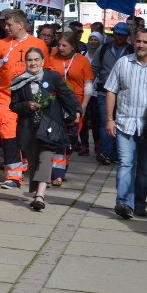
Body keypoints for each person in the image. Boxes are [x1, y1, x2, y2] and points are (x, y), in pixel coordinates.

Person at [104, 28, 147, 219]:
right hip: (125, 122)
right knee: (125, 163)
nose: (141, 45)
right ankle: (123, 203)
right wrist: (109, 119)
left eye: (146, 42)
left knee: (146, 169)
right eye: (138, 41)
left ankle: (139, 203)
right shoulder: (123, 62)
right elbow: (111, 90)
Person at [10, 47, 81, 211]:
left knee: (46, 157)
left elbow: (67, 95)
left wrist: (77, 110)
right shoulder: (19, 81)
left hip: (50, 125)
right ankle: (36, 192)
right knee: (33, 160)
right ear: (25, 62)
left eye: (36, 60)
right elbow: (14, 105)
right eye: (30, 60)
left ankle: (40, 195)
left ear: (42, 62)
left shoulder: (52, 76)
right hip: (29, 127)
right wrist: (27, 105)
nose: (33, 63)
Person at [0, 9, 50, 189]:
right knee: (8, 135)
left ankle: (28, 166)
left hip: (30, 100)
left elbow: (46, 73)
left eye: (9, 25)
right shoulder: (0, 45)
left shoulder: (39, 44)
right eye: (5, 25)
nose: (6, 28)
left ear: (21, 25)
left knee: (27, 136)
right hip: (6, 98)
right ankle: (13, 176)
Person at [46, 31, 93, 186]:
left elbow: (88, 85)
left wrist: (84, 106)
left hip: (75, 106)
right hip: (55, 104)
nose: (60, 48)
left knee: (70, 140)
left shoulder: (82, 61)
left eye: (64, 45)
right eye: (59, 45)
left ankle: (62, 168)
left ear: (73, 46)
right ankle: (57, 173)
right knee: (58, 138)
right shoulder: (52, 58)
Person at [91, 22, 133, 165]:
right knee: (106, 122)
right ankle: (106, 152)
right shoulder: (103, 49)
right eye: (117, 33)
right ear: (113, 33)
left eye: (123, 34)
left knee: (120, 123)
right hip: (105, 91)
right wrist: (97, 81)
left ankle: (117, 153)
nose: (119, 36)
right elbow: (95, 66)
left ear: (127, 36)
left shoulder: (131, 51)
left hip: (124, 93)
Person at [79, 31, 105, 157]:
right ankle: (84, 145)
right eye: (91, 39)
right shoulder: (83, 55)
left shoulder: (102, 55)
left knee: (96, 120)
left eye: (96, 40)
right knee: (83, 119)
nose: (93, 42)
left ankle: (97, 144)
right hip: (84, 91)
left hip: (96, 92)